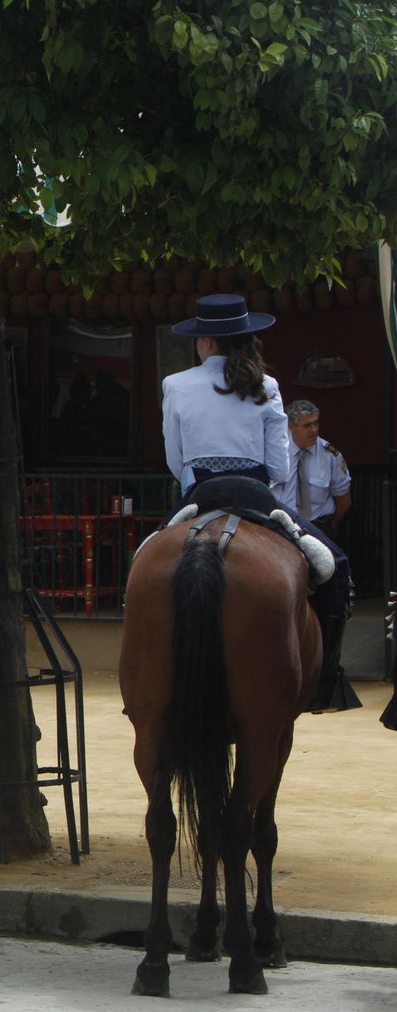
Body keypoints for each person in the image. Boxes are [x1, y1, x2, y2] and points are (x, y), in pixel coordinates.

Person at [162, 293, 353, 710]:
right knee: (334, 566)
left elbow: (176, 462)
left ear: (207, 342)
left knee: (145, 566)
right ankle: (325, 681)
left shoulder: (174, 385)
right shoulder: (267, 387)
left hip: (198, 495)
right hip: (257, 497)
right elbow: (281, 469)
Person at [273, 399, 352, 531]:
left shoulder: (330, 455)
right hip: (280, 528)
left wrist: (330, 526)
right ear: (290, 426)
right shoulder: (275, 451)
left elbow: (343, 501)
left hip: (318, 528)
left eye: (316, 423)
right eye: (307, 425)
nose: (314, 430)